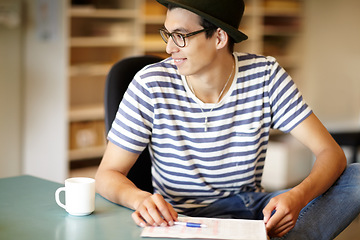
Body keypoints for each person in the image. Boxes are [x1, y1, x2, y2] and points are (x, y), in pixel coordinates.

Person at [95, 0, 360, 239]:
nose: (168, 47)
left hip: (254, 209)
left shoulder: (265, 76)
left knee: (357, 177)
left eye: (180, 36)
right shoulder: (150, 84)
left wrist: (298, 197)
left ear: (219, 37)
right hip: (182, 218)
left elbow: (331, 153)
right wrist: (139, 199)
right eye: (167, 34)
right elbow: (107, 175)